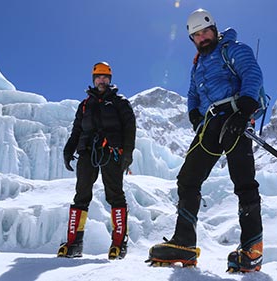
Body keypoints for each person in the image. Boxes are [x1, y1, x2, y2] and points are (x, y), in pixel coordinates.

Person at [147, 9, 264, 272]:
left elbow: (252, 74)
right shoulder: (198, 63)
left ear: (215, 29)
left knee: (243, 182)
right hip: (209, 124)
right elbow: (192, 92)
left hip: (235, 116)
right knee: (187, 179)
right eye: (196, 35)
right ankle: (184, 244)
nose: (202, 37)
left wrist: (245, 109)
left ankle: (252, 249)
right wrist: (193, 114)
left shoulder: (233, 49)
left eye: (205, 31)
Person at [58, 62, 136, 260]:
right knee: (81, 195)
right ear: (93, 80)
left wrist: (128, 153)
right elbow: (77, 130)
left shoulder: (120, 102)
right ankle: (74, 243)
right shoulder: (84, 105)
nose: (101, 80)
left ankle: (119, 244)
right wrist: (69, 150)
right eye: (98, 77)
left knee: (115, 195)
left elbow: (130, 127)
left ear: (110, 79)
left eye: (105, 77)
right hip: (87, 153)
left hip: (112, 151)